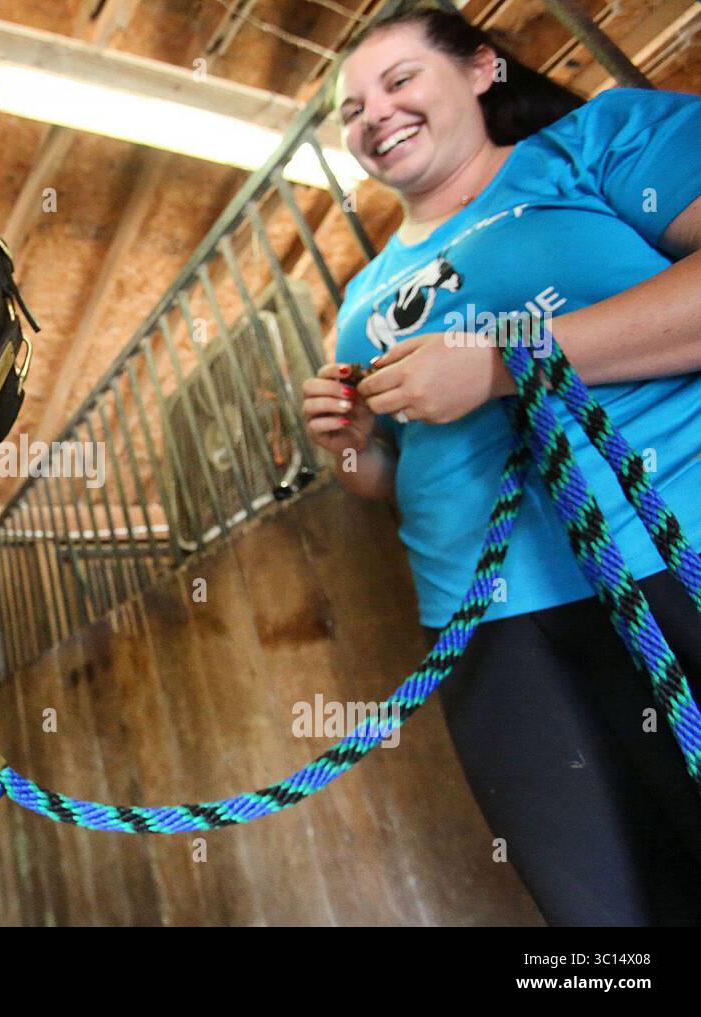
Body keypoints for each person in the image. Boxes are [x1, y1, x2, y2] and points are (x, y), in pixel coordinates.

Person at [301, 1, 701, 925]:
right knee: (598, 925)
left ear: (483, 70)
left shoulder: (593, 143)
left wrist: (498, 363)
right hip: (489, 629)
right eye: (352, 109)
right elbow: (399, 479)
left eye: (398, 81)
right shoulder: (359, 303)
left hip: (669, 546)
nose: (375, 116)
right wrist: (354, 450)